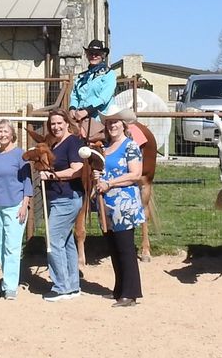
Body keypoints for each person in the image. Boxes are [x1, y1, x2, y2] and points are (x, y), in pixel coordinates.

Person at [95, 105, 145, 307]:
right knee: (114, 248)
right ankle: (119, 288)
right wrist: (99, 177)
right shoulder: (106, 149)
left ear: (123, 124)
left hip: (124, 205)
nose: (111, 125)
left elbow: (135, 174)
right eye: (108, 122)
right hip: (107, 205)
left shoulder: (130, 146)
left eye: (115, 122)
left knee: (125, 248)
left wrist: (110, 183)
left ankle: (131, 292)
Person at [38, 108, 84, 302]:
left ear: (67, 123)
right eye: (52, 124)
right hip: (58, 199)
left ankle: (60, 286)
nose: (55, 127)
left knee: (54, 241)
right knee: (66, 242)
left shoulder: (73, 142)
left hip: (67, 198)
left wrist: (51, 175)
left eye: (59, 123)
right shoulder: (56, 144)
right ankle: (72, 285)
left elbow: (77, 169)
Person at [0, 119, 33, 300]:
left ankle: (10, 287)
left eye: (5, 131)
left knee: (12, 247)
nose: (2, 135)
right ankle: (6, 281)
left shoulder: (21, 155)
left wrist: (24, 204)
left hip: (15, 205)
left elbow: (27, 182)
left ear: (12, 134)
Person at [69, 39, 116, 140]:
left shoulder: (109, 74)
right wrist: (72, 108)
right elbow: (74, 95)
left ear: (103, 55)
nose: (93, 56)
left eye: (97, 53)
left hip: (101, 117)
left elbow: (104, 97)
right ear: (87, 55)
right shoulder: (81, 76)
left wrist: (87, 110)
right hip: (79, 116)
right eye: (90, 53)